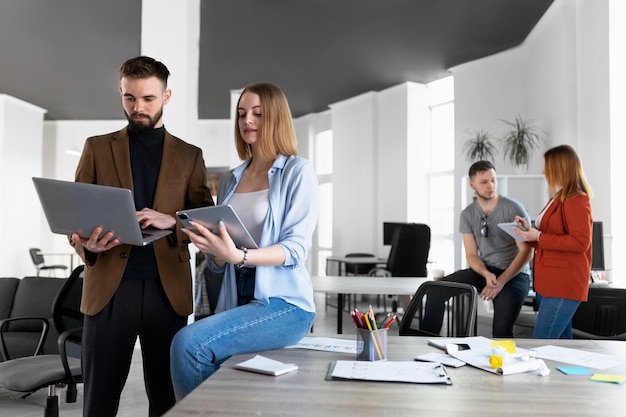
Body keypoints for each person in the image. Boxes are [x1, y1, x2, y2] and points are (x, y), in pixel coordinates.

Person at [69, 56, 214, 417]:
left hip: (168, 293)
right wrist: (85, 243)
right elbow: (76, 218)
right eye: (129, 98)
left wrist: (171, 221)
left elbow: (205, 222)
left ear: (166, 97)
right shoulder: (96, 148)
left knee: (167, 401)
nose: (138, 107)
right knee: (98, 401)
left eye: (148, 98)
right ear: (121, 93)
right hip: (108, 289)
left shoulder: (190, 156)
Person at [169, 82, 318, 400]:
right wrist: (217, 253)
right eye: (241, 114)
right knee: (205, 355)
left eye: (258, 114)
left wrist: (239, 256)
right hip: (238, 299)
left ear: (276, 118)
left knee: (187, 344)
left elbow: (295, 249)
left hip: (284, 304)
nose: (247, 120)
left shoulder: (297, 171)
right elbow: (222, 257)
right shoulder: (230, 179)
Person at [421, 160, 533, 338]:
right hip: (486, 270)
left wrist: (501, 281)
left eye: (493, 180)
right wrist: (486, 274)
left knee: (501, 331)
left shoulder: (513, 208)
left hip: (515, 275)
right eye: (484, 182)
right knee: (435, 290)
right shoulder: (468, 214)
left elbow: (527, 252)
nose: (491, 186)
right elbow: (472, 255)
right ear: (472, 185)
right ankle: (424, 346)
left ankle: (504, 365)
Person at [513, 145, 593, 339]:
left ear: (560, 168)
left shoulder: (577, 200)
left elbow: (581, 242)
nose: (544, 171)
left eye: (547, 166)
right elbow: (551, 236)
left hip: (563, 284)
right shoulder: (560, 197)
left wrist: (538, 236)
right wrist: (530, 231)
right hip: (549, 282)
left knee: (540, 344)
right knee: (562, 348)